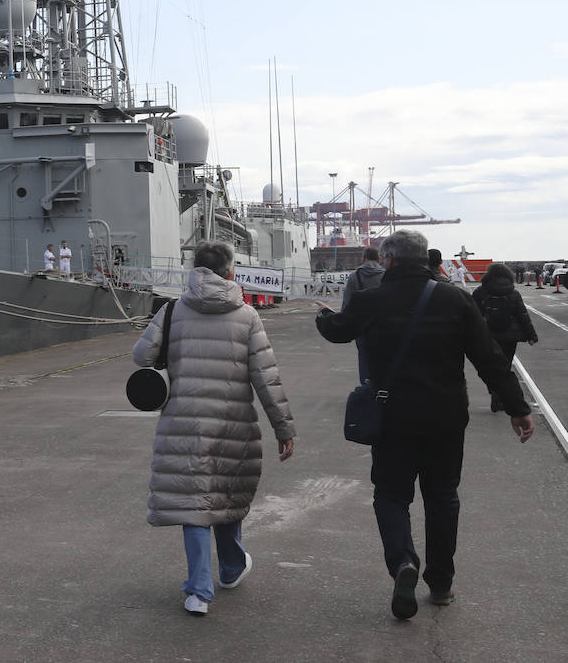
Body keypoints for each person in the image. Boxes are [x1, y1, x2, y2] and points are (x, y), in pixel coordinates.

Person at [314, 230, 534, 619]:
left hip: (393, 416)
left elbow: (338, 331)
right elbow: (489, 357)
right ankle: (442, 584)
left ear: (389, 260)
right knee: (442, 498)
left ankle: (403, 562)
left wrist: (322, 317)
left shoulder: (373, 299)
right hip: (445, 418)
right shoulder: (455, 299)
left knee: (391, 495)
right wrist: (517, 408)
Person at [132, 241, 296, 616]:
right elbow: (266, 380)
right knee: (226, 494)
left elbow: (141, 356)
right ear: (229, 271)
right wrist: (283, 428)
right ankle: (232, 567)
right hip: (231, 423)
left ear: (195, 270)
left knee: (194, 505)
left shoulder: (172, 310)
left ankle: (198, 591)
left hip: (184, 423)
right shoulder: (247, 316)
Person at [471, 262, 539, 412]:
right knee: (505, 365)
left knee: (490, 366)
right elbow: (523, 316)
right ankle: (501, 397)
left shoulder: (480, 292)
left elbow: (472, 315)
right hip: (509, 336)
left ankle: (494, 390)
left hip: (488, 335)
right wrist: (531, 335)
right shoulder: (513, 293)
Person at [344, 247, 385, 382]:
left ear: (363, 258)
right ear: (379, 259)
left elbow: (347, 305)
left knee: (364, 359)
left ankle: (366, 389)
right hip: (385, 325)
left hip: (362, 327)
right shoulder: (387, 275)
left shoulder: (354, 277)